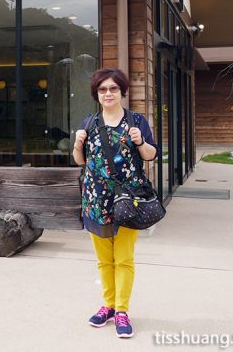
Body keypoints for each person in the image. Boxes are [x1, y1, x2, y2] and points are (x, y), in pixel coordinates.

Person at [73, 67, 158, 339]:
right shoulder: (89, 123)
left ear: (122, 91)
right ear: (96, 94)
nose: (108, 93)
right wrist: (77, 144)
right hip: (96, 200)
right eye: (102, 89)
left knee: (123, 258)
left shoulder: (136, 121)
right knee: (103, 260)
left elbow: (151, 154)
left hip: (127, 201)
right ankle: (107, 305)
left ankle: (122, 310)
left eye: (113, 88)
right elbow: (80, 161)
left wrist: (140, 141)